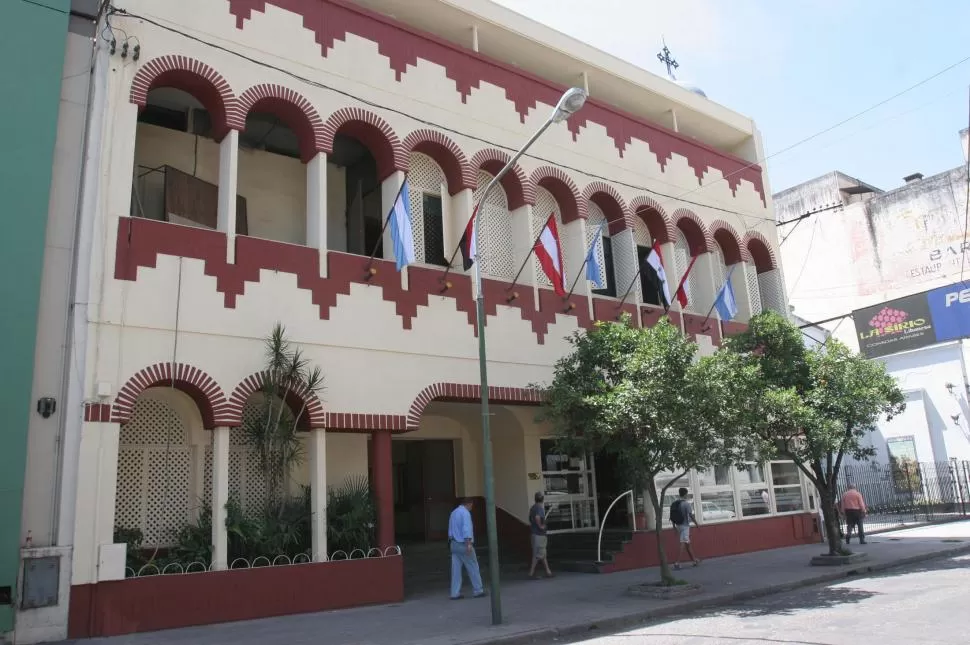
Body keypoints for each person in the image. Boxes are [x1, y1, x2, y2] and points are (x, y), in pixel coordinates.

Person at [447, 497, 485, 600]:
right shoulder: (465, 513)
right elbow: (466, 529)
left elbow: (450, 530)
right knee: (473, 566)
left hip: (453, 543)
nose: (471, 507)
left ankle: (454, 593)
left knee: (456, 570)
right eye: (471, 505)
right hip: (463, 543)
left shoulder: (453, 513)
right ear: (469, 504)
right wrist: (468, 544)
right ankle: (478, 590)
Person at [670, 488, 700, 569]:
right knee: (683, 543)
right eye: (687, 494)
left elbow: (672, 517)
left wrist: (674, 527)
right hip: (685, 526)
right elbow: (690, 515)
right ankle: (677, 563)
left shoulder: (675, 503)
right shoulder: (686, 504)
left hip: (678, 525)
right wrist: (697, 524)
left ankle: (694, 560)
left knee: (687, 544)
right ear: (685, 494)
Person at [528, 491, 553, 579]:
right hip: (539, 535)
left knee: (541, 554)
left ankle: (548, 571)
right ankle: (531, 573)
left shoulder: (532, 508)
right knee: (538, 555)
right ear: (542, 499)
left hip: (534, 534)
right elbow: (537, 517)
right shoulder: (539, 508)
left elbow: (531, 519)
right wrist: (541, 526)